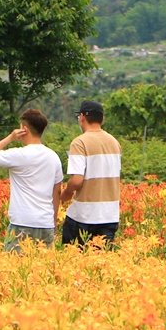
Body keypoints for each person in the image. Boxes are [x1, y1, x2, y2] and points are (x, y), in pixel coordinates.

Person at [0, 109, 63, 252]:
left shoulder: (19, 155)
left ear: (24, 130)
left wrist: (10, 138)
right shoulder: (53, 157)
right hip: (46, 223)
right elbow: (57, 191)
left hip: (22, 222)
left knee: (14, 268)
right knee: (42, 271)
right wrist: (53, 221)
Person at [60, 100, 121, 246]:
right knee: (103, 264)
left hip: (84, 216)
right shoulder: (114, 142)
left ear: (82, 117)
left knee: (72, 261)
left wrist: (67, 192)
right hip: (109, 215)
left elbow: (76, 181)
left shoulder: (79, 143)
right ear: (102, 119)